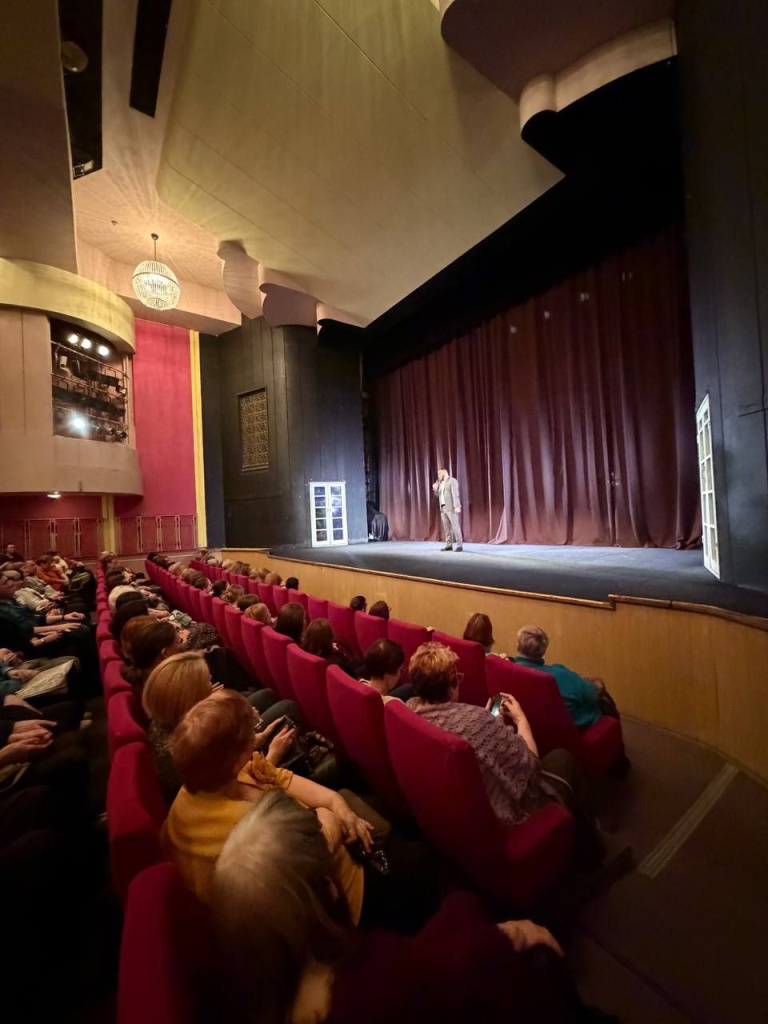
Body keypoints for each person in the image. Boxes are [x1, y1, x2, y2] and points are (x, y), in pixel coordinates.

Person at [211, 791, 607, 1024]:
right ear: (330, 890)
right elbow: (447, 977)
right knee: (540, 960)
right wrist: (501, 937)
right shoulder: (376, 982)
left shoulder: (264, 1001)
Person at [161, 690, 372, 909]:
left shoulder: (207, 779)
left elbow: (286, 779)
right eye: (250, 736)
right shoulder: (248, 830)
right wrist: (329, 813)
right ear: (236, 758)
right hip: (341, 893)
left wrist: (336, 803)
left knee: (357, 800)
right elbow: (317, 852)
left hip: (333, 851)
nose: (255, 741)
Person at [406, 643, 577, 828]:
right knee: (563, 758)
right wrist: (521, 720)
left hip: (447, 812)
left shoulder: (409, 709)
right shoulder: (479, 721)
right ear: (452, 684)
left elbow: (474, 735)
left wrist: (491, 722)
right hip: (502, 816)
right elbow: (531, 766)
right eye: (457, 678)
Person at [143, 653, 295, 804]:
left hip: (232, 769)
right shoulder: (189, 748)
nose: (212, 685)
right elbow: (233, 787)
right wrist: (273, 755)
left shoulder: (164, 719)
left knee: (267, 696)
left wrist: (255, 739)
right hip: (245, 795)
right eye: (208, 681)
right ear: (192, 698)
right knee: (288, 707)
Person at [514, 626, 622, 730]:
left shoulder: (509, 669)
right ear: (543, 650)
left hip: (531, 726)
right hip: (567, 731)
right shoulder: (560, 675)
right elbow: (592, 695)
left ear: (517, 645)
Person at [432, 467, 463, 551]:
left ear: (444, 472)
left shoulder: (452, 480)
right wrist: (435, 489)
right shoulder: (440, 483)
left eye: (439, 473)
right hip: (443, 507)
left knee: (455, 526)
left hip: (451, 507)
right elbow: (438, 496)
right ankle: (449, 544)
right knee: (446, 527)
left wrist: (457, 506)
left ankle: (459, 545)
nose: (438, 475)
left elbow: (455, 494)